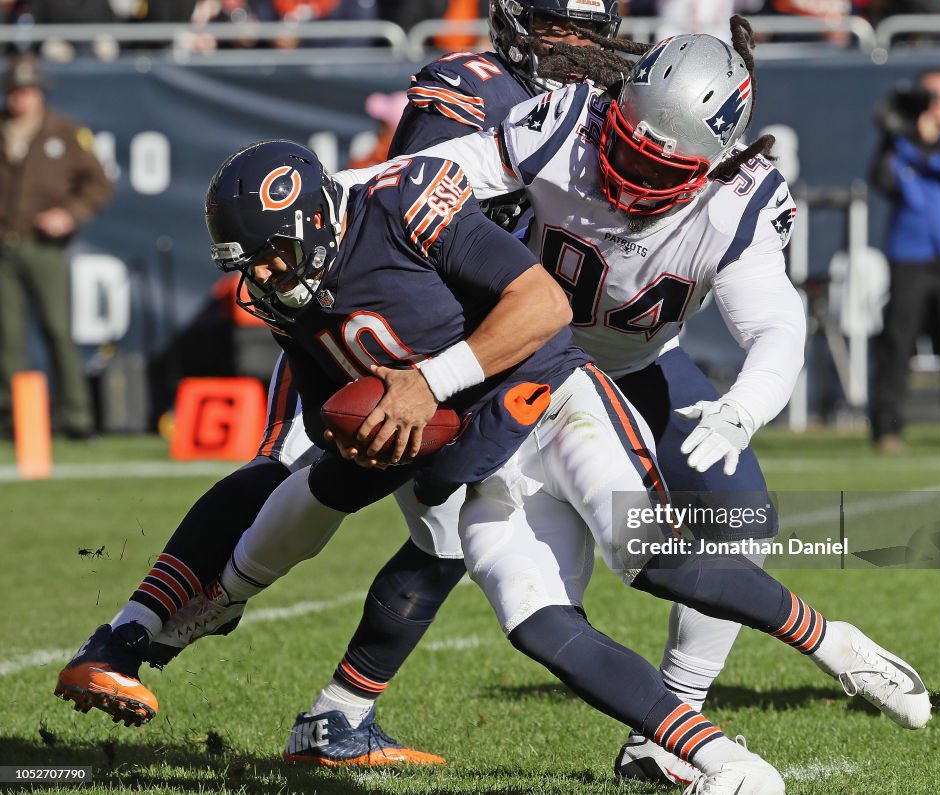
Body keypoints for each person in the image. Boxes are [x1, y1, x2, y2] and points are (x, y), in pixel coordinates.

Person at [61, 137, 792, 794]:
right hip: (394, 393)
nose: (266, 274)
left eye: (273, 254)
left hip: (485, 386)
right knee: (303, 474)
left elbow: (538, 301)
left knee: (458, 544)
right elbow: (324, 403)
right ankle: (166, 622)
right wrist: (359, 424)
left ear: (313, 225)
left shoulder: (413, 195)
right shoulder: (306, 275)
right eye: (252, 262)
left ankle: (320, 705)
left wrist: (425, 387)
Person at [868, 70, 940, 455]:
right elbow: (881, 181)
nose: (937, 104)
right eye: (931, 96)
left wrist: (931, 140)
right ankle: (887, 429)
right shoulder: (900, 144)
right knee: (898, 344)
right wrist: (892, 133)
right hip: (911, 257)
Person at [0, 53, 114, 439]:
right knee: (6, 336)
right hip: (4, 245)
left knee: (57, 329)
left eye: (28, 90)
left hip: (43, 245)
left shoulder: (64, 133)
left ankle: (76, 418)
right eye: (16, 91)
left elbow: (99, 183)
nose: (22, 99)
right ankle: (13, 418)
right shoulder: (3, 130)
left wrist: (69, 213)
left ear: (39, 93)